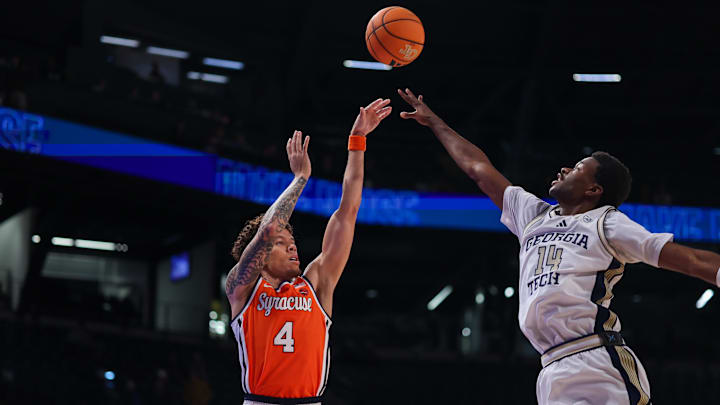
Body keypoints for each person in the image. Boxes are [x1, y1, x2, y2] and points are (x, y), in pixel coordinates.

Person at [398, 88, 720, 405]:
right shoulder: (533, 217)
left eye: (577, 168)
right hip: (552, 369)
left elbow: (685, 258)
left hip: (597, 360)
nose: (565, 169)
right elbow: (479, 170)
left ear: (594, 189)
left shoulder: (606, 222)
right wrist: (435, 123)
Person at [226, 98, 392, 405]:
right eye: (282, 244)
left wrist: (357, 142)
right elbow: (268, 231)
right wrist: (300, 179)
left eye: (293, 241)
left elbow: (348, 212)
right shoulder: (243, 288)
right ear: (260, 259)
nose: (292, 245)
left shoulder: (315, 283)